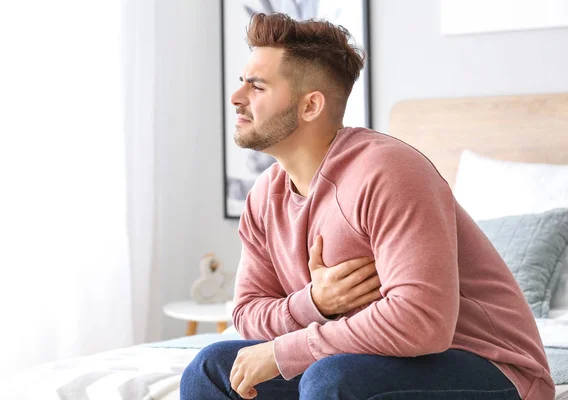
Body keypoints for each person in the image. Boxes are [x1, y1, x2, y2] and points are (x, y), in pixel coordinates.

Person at [180, 12, 554, 400]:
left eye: (256, 87)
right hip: (356, 359)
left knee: (331, 380)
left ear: (310, 106)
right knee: (211, 369)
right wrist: (315, 304)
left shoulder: (389, 172)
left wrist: (283, 351)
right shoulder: (263, 197)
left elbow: (421, 322)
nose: (236, 97)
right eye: (242, 82)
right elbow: (247, 314)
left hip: (485, 365)